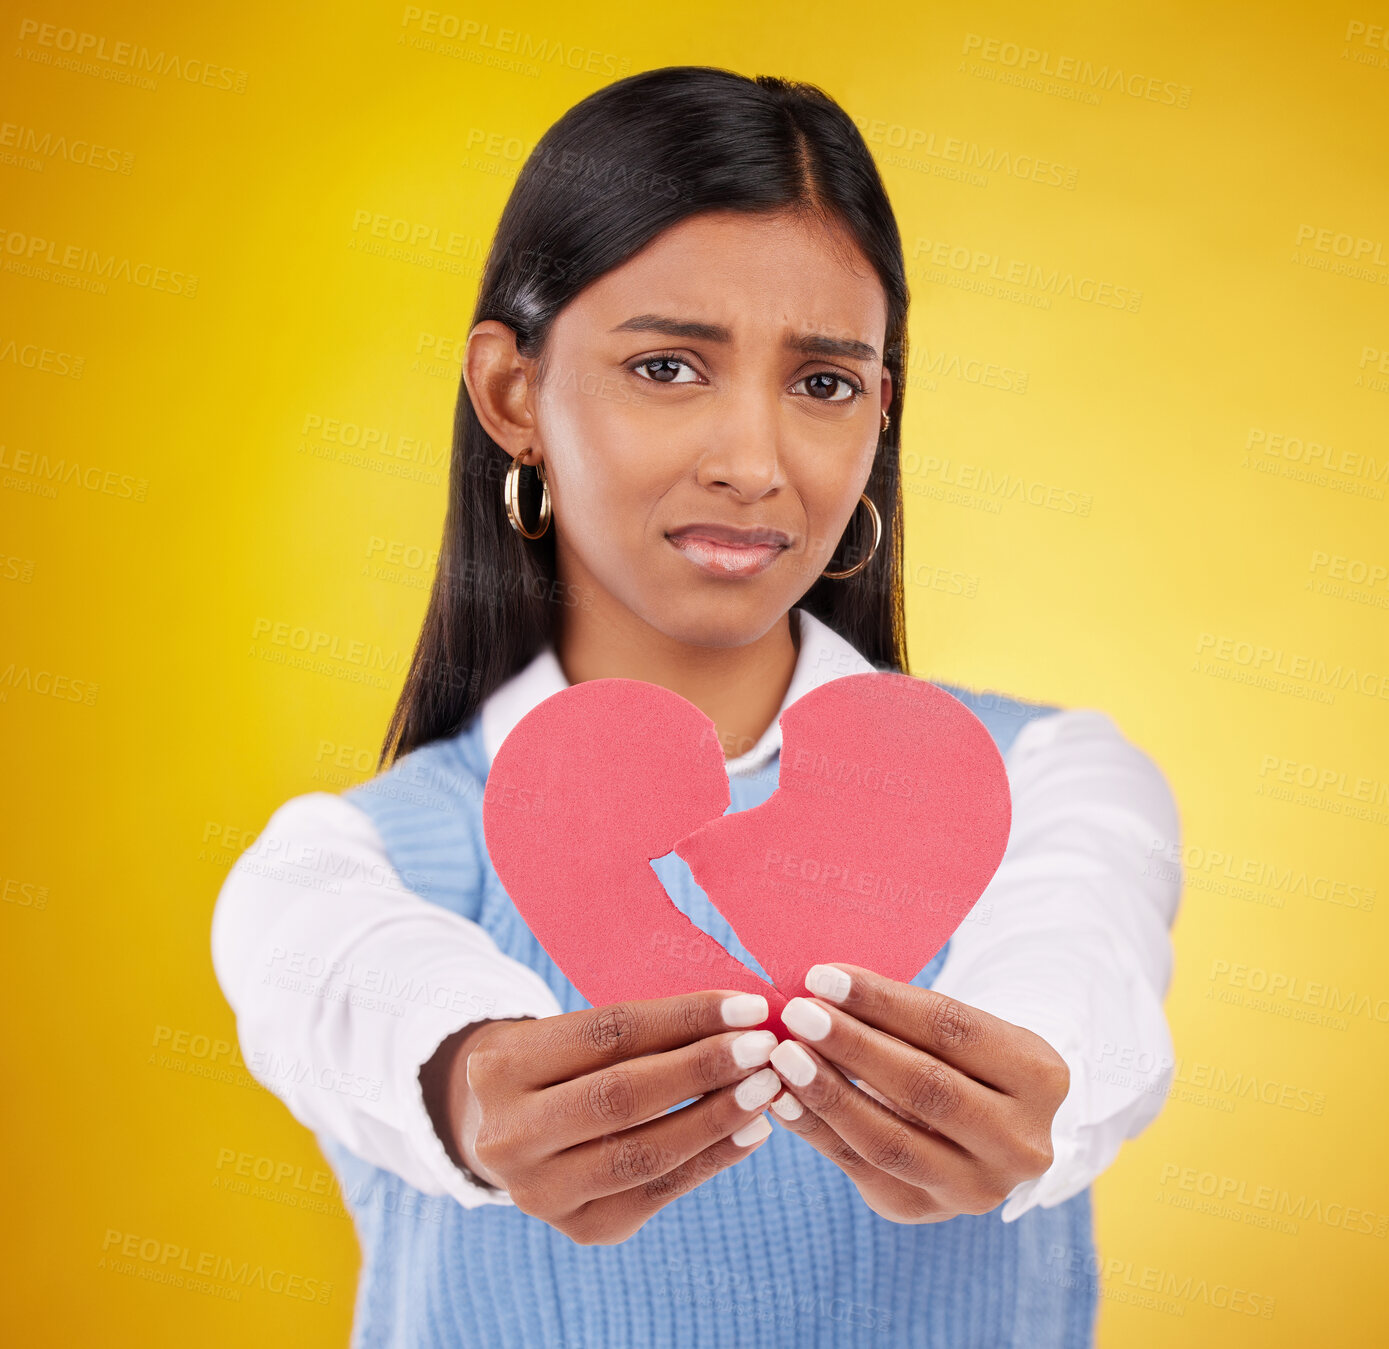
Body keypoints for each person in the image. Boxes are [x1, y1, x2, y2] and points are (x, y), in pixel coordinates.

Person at [212, 65, 1181, 1348]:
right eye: (667, 365)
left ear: (878, 412)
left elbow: (1084, 953)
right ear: (512, 395)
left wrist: (1029, 1086)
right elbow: (342, 976)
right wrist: (471, 1075)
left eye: (824, 384)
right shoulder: (355, 858)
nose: (751, 458)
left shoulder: (1052, 779)